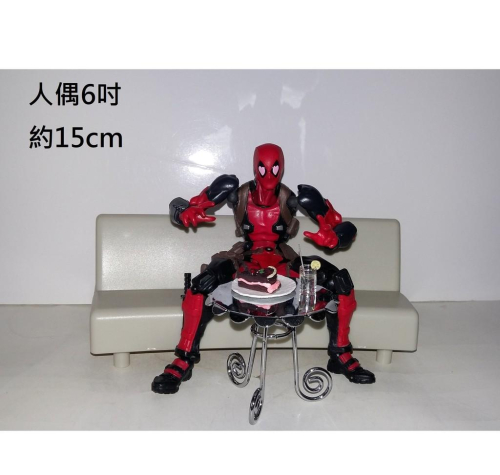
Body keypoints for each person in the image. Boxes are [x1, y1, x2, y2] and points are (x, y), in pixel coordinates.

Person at [152, 143, 375, 394]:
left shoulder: (296, 198)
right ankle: (184, 359)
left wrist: (334, 237)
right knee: (200, 285)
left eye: (275, 168)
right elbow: (180, 206)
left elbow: (344, 227)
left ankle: (341, 354)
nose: (269, 175)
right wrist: (185, 214)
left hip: (283, 260)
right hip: (245, 258)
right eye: (263, 168)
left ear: (282, 168)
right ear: (255, 167)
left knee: (341, 281)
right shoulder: (235, 193)